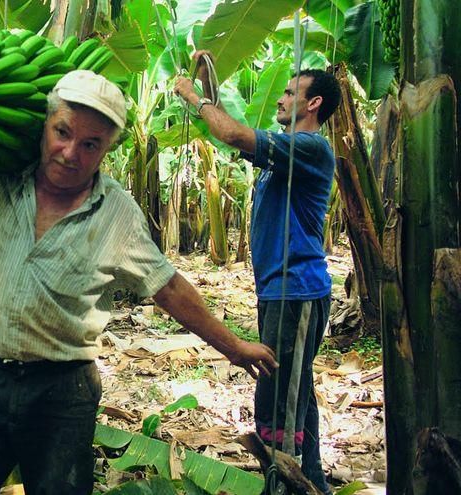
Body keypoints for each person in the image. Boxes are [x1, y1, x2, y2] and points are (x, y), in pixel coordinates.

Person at [0, 69, 278, 495]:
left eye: (90, 144)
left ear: (106, 149)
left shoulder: (117, 212)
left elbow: (167, 287)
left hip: (63, 391)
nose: (70, 153)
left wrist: (233, 346)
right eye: (62, 132)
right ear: (45, 126)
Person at [174, 51, 341, 494]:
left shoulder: (309, 149)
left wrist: (193, 97)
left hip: (297, 291)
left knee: (277, 397)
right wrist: (209, 81)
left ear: (313, 104)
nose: (282, 98)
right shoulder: (284, 155)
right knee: (295, 391)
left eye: (291, 92)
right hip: (279, 292)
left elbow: (230, 131)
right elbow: (234, 136)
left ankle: (281, 484)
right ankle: (313, 482)